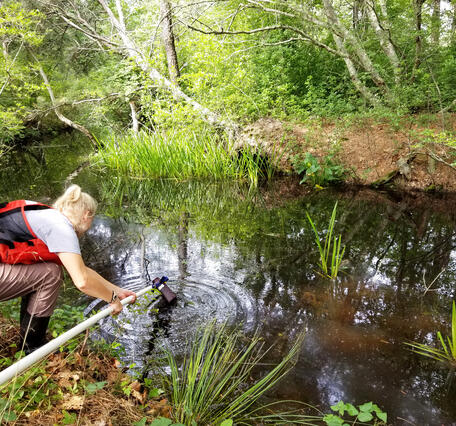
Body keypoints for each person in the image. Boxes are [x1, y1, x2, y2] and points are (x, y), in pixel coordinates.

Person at [0, 185, 137, 353]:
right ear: (87, 215)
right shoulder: (61, 228)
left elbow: (82, 269)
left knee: (48, 270)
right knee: (51, 274)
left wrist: (118, 290)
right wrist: (112, 298)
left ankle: (29, 341)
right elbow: (82, 281)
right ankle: (32, 347)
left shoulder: (47, 217)